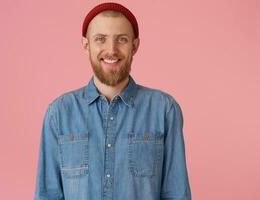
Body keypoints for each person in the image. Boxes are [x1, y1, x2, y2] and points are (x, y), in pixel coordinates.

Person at [34, 2, 192, 200]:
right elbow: (46, 195)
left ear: (135, 46)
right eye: (100, 39)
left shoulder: (164, 111)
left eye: (122, 39)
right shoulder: (58, 114)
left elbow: (177, 195)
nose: (111, 50)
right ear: (86, 45)